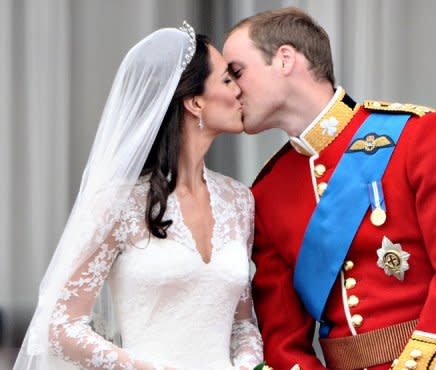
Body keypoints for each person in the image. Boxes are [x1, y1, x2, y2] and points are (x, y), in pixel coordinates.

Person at [223, 7, 436, 370]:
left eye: (237, 72)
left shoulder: (417, 137)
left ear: (285, 59)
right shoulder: (267, 191)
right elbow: (283, 340)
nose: (232, 90)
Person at [14, 23, 263, 370]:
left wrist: (247, 365)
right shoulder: (118, 203)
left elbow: (242, 324)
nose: (240, 91)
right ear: (194, 102)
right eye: (226, 80)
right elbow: (59, 325)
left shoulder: (239, 201)